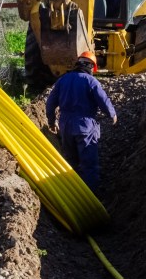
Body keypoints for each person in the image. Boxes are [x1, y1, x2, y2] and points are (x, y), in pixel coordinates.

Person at [45, 51, 117, 190]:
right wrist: (112, 114)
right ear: (91, 66)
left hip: (65, 126)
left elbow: (50, 103)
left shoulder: (63, 80)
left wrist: (51, 121)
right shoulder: (91, 81)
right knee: (89, 165)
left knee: (71, 163)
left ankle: (72, 193)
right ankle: (90, 198)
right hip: (85, 126)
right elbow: (103, 100)